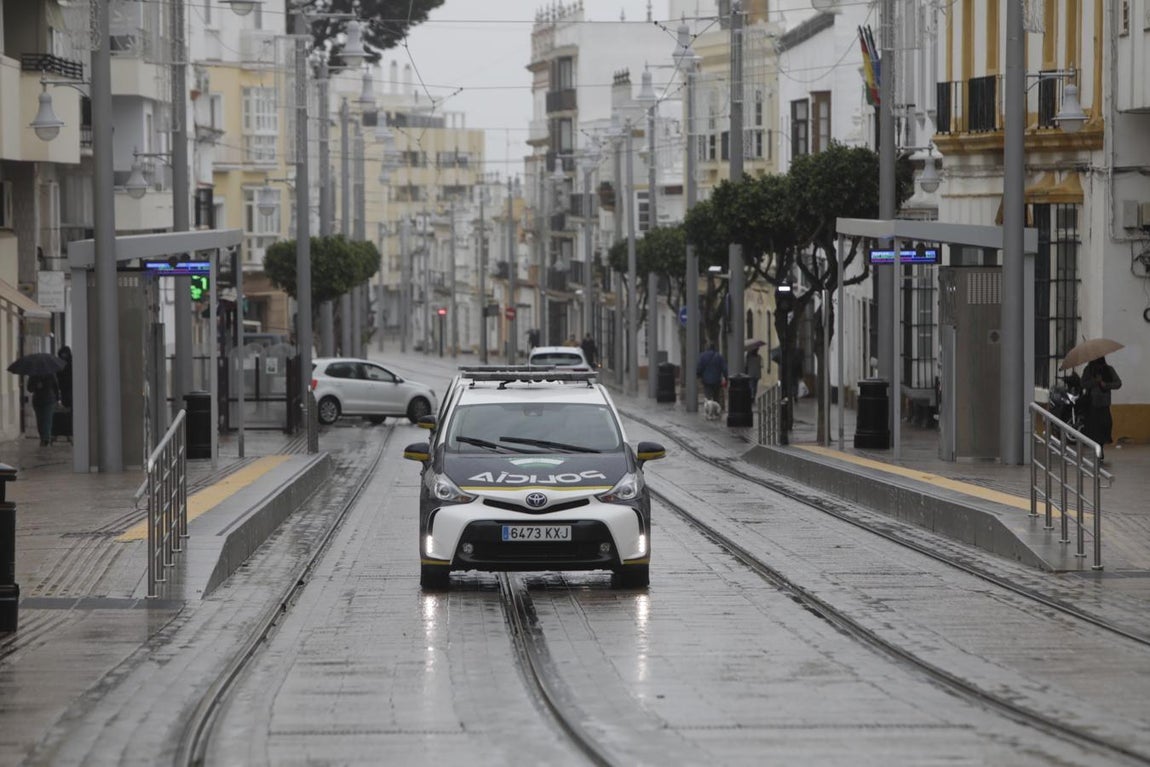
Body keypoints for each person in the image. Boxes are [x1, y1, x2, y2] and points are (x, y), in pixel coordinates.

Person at [1081, 356, 1122, 462]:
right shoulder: (1088, 370)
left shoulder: (1109, 370)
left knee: (1105, 427)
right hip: (1092, 405)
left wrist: (1106, 384)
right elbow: (1083, 384)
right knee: (1093, 429)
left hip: (1104, 404)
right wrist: (1095, 381)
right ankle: (1097, 450)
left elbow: (1118, 383)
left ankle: (1100, 448)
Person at [28, 372, 60, 447]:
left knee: (47, 420)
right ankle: (43, 438)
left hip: (49, 400)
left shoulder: (51, 373)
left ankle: (46, 439)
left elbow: (56, 386)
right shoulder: (33, 375)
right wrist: (36, 385)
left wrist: (57, 399)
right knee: (40, 421)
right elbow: (29, 388)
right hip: (37, 401)